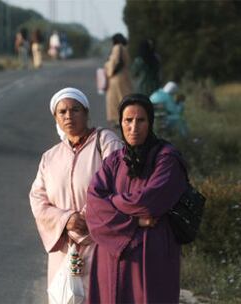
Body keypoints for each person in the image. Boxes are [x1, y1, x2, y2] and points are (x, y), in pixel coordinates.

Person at [86, 93, 188, 303]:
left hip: (151, 255)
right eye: (128, 120)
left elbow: (148, 202)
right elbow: (94, 202)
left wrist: (112, 201)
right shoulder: (115, 159)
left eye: (140, 120)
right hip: (111, 256)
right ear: (120, 123)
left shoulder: (166, 159)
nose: (134, 127)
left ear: (150, 122)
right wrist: (135, 220)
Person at [29, 87, 123, 303]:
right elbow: (37, 199)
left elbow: (117, 182)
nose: (69, 116)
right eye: (62, 112)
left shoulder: (106, 142)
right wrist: (67, 219)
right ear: (56, 117)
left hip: (99, 243)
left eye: (75, 110)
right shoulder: (50, 157)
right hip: (64, 247)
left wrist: (86, 216)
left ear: (86, 112)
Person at [104, 33, 133, 129]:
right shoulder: (125, 48)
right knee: (124, 97)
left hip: (116, 78)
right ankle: (125, 118)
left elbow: (115, 62)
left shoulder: (117, 47)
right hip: (124, 76)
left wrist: (110, 71)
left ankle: (119, 119)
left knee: (116, 98)